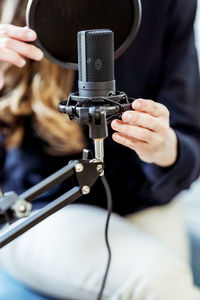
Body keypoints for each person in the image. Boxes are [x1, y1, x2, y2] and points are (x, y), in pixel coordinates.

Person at [0, 0, 200, 299]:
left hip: (143, 198)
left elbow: (189, 138)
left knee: (176, 284)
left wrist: (166, 149)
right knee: (160, 281)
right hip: (40, 206)